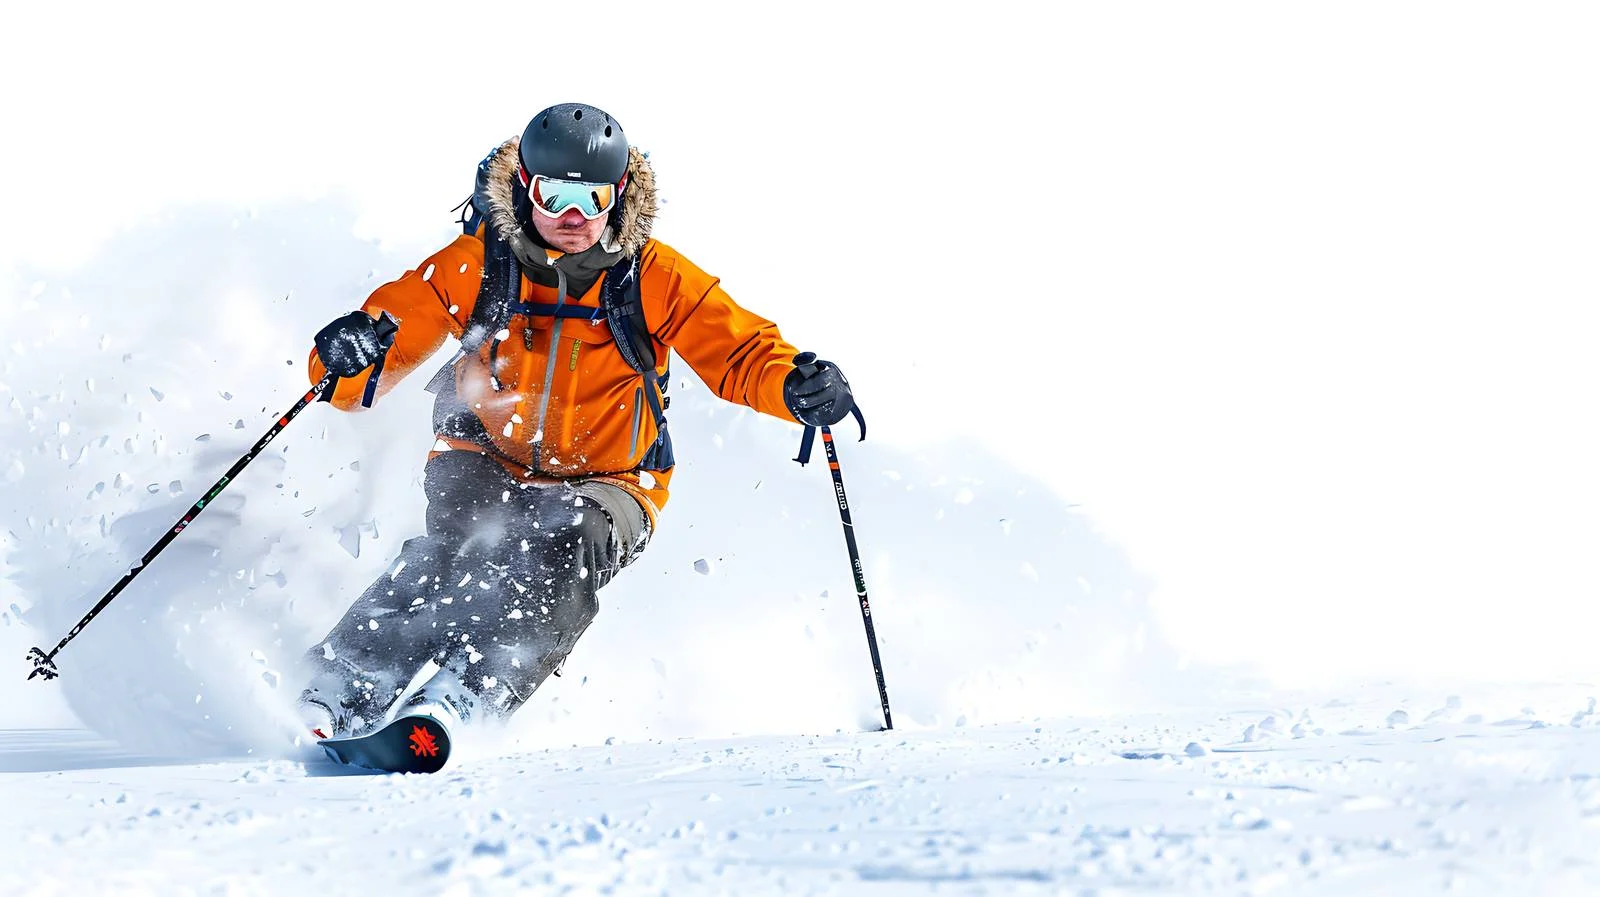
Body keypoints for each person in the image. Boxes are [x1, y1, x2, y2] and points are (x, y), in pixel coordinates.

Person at [295, 102, 856, 739]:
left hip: (613, 479)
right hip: (483, 455)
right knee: (454, 555)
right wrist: (349, 354)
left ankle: (469, 695)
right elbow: (380, 348)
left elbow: (737, 349)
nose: (572, 216)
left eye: (591, 199)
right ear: (524, 188)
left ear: (617, 198)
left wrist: (793, 384)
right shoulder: (477, 264)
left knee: (565, 543)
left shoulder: (653, 277)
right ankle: (340, 686)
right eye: (555, 194)